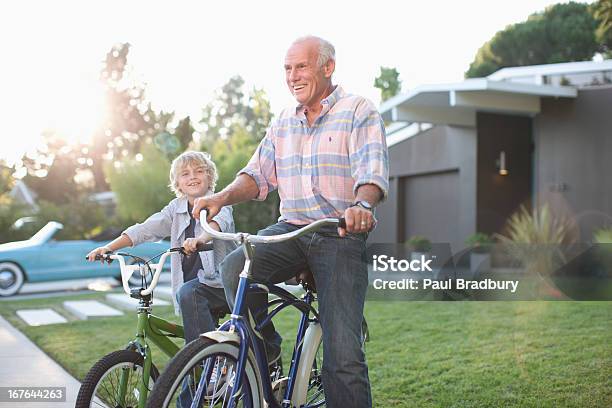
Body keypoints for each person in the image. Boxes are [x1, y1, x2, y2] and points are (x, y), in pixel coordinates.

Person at [192, 35, 389, 407]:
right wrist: (219, 198)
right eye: (287, 68)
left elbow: (371, 172)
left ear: (327, 68)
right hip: (290, 229)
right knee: (235, 268)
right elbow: (256, 176)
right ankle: (266, 360)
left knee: (342, 356)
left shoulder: (358, 110)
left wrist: (362, 205)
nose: (293, 76)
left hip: (338, 233)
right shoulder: (283, 121)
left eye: (301, 66)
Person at [86, 151, 236, 344]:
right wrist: (108, 247)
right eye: (185, 174)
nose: (192, 177)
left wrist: (199, 239)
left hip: (222, 285)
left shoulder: (220, 202)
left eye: (199, 171)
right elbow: (145, 229)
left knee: (190, 298)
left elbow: (215, 225)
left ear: (209, 176)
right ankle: (198, 366)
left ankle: (203, 363)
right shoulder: (175, 209)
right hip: (192, 287)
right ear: (178, 183)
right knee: (191, 309)